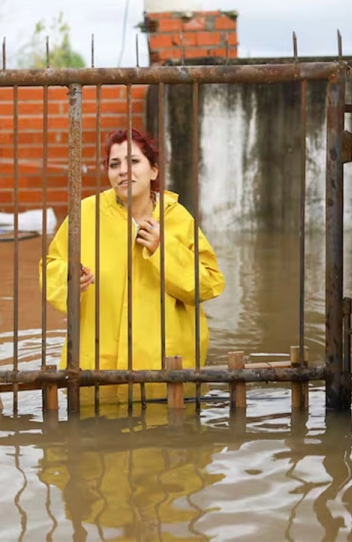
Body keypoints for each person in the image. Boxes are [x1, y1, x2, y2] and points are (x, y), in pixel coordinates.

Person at [40, 128, 225, 402]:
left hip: (166, 369)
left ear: (153, 171)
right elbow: (51, 265)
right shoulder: (86, 214)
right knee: (96, 437)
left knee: (168, 436)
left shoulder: (177, 218)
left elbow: (208, 284)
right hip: (98, 368)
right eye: (114, 164)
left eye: (133, 161)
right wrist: (68, 280)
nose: (123, 171)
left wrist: (164, 249)